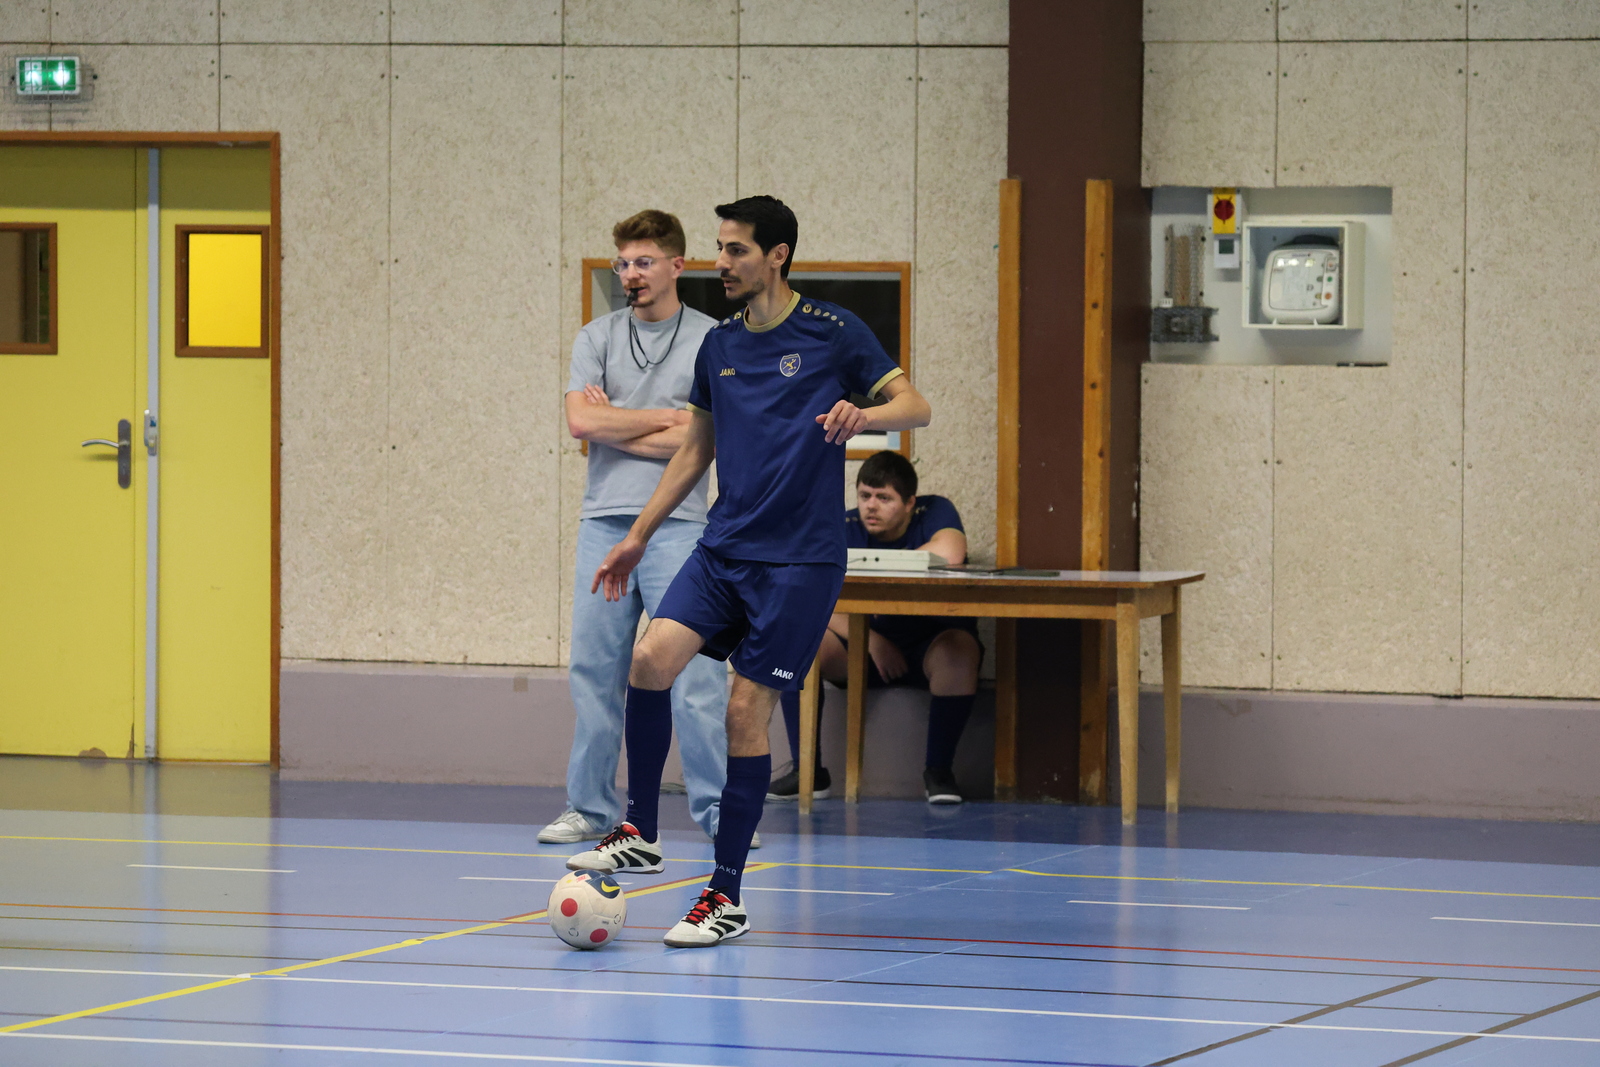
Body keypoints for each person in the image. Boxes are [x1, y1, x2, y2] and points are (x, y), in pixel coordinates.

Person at [566, 195, 931, 947]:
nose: (722, 262)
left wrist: (866, 416)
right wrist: (638, 535)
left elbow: (915, 405)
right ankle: (639, 828)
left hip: (799, 561)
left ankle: (725, 894)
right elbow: (696, 448)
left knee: (742, 711)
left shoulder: (832, 331)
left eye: (736, 250)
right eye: (721, 248)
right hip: (724, 547)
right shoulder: (720, 345)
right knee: (648, 660)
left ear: (777, 256)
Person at [539, 210, 732, 847]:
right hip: (603, 524)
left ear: (677, 265)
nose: (630, 274)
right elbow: (581, 424)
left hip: (682, 527)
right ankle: (589, 808)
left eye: (644, 262)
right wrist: (669, 423)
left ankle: (717, 811)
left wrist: (618, 422)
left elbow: (710, 438)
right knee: (595, 669)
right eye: (622, 263)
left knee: (696, 673)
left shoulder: (712, 339)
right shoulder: (595, 338)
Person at [768, 451, 982, 805]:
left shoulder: (934, 511)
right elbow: (807, 593)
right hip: (863, 650)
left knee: (958, 653)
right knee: (794, 644)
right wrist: (871, 640)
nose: (871, 506)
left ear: (910, 503)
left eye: (884, 498)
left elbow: (951, 552)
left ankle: (939, 772)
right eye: (865, 495)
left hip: (929, 647)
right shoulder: (846, 524)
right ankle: (808, 772)